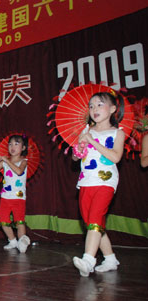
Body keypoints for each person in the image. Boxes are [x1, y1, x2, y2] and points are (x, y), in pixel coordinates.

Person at [71, 90, 125, 277]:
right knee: (92, 222)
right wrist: (79, 149)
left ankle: (88, 260)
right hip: (86, 181)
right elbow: (76, 157)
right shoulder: (86, 131)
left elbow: (116, 157)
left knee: (95, 218)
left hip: (106, 182)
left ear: (112, 109)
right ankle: (110, 259)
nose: (94, 109)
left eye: (100, 104)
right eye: (91, 106)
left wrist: (93, 142)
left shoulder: (118, 133)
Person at [0, 134, 31, 253]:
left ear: (23, 148)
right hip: (5, 197)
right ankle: (12, 241)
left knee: (19, 221)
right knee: (3, 221)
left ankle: (23, 241)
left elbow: (19, 171)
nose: (13, 146)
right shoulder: (5, 162)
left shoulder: (24, 161)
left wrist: (6, 160)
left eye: (16, 144)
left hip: (19, 198)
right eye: (10, 144)